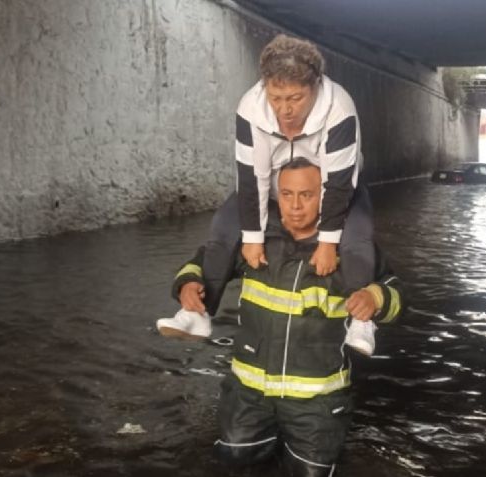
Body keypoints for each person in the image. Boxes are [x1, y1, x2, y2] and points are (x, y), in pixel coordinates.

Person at [171, 159, 403, 476]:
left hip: (317, 403)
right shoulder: (254, 242)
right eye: (287, 194)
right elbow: (202, 261)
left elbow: (398, 295)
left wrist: (374, 298)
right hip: (248, 395)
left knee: (311, 472)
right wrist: (188, 285)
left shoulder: (349, 250)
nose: (294, 206)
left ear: (325, 198)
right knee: (236, 460)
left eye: (306, 195)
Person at [157, 33, 376, 350]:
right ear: (265, 89)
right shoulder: (250, 106)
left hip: (333, 188)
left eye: (296, 99)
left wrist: (328, 241)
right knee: (222, 228)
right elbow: (250, 178)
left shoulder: (339, 106)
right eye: (276, 98)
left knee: (357, 236)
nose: (284, 110)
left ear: (315, 86)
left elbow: (339, 183)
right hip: (275, 188)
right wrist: (252, 237)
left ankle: (361, 323)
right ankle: (198, 315)